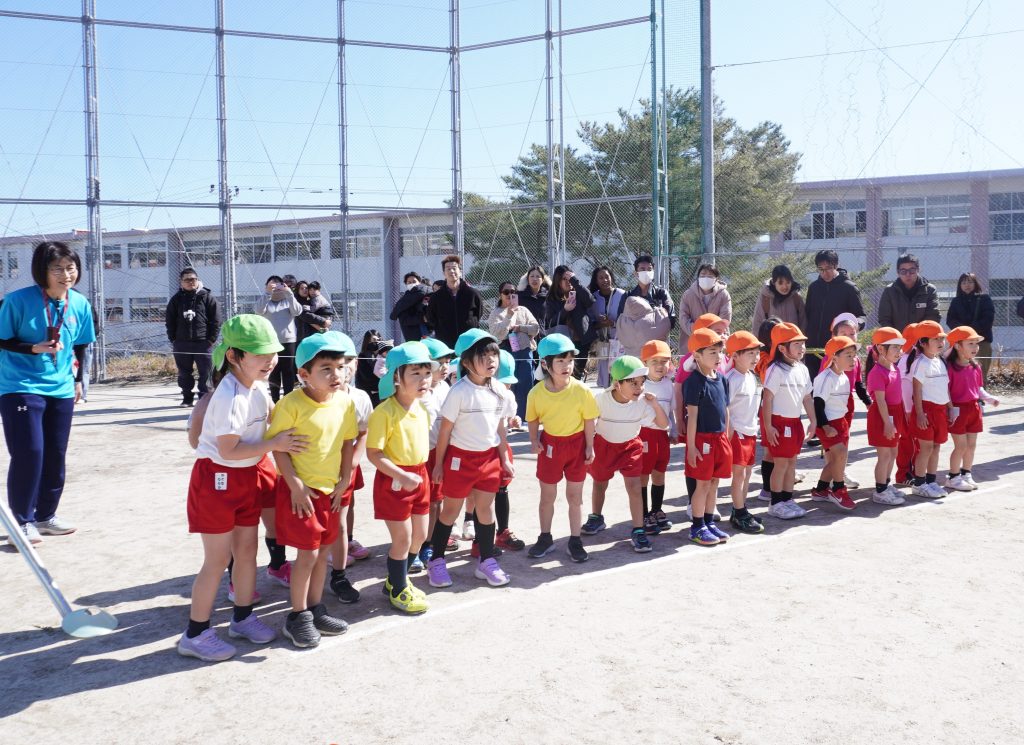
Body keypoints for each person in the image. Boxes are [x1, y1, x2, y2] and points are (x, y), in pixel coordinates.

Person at [176, 314, 305, 662]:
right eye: (259, 354)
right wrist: (275, 444)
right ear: (233, 356)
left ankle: (243, 617)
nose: (270, 360)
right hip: (217, 481)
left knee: (247, 552)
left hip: (246, 476)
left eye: (272, 352)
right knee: (217, 560)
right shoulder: (230, 396)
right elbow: (229, 450)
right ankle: (195, 634)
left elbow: (274, 419)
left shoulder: (258, 387)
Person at [266, 331, 358, 647]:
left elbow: (347, 442)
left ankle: (316, 609)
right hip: (302, 495)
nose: (336, 375)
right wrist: (295, 486)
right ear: (304, 374)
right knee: (307, 556)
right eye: (326, 369)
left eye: (340, 367)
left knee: (323, 554)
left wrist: (345, 479)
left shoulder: (345, 402)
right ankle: (297, 616)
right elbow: (278, 449)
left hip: (330, 492)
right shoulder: (290, 405)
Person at [0, 241, 96, 545]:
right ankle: (21, 522)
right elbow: (2, 339)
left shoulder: (79, 303)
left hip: (61, 388)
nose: (66, 275)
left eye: (70, 268)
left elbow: (82, 344)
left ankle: (45, 516)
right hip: (20, 386)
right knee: (30, 452)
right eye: (57, 269)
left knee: (55, 454)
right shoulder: (17, 301)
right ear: (42, 271)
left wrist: (78, 380)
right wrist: (33, 348)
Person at [426, 329, 513, 588]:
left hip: (489, 460)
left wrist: (504, 458)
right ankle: (436, 561)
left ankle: (486, 561)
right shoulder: (459, 391)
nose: (491, 360)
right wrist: (439, 464)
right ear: (466, 362)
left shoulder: (500, 390)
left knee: (485, 509)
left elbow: (500, 427)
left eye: (493, 354)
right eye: (483, 356)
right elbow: (445, 431)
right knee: (450, 511)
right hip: (459, 460)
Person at [366, 341, 434, 614]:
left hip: (420, 476)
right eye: (415, 373)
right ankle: (398, 588)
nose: (423, 379)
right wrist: (401, 475)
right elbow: (374, 453)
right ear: (396, 377)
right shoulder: (384, 412)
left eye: (426, 373)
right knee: (402, 539)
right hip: (394, 480)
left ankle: (396, 579)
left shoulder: (421, 408)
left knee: (420, 535)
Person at [526, 333, 599, 563]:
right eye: (560, 360)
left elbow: (589, 420)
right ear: (545, 364)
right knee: (547, 496)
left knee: (575, 497)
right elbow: (533, 419)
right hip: (550, 446)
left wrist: (590, 446)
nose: (567, 365)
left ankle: (575, 540)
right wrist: (534, 440)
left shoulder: (582, 390)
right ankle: (545, 538)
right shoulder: (536, 393)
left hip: (577, 446)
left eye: (570, 360)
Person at [585, 355, 668, 553]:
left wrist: (655, 405)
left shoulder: (643, 402)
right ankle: (596, 517)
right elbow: (589, 421)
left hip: (630, 446)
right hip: (604, 445)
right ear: (617, 384)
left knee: (634, 487)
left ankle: (638, 530)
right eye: (633, 383)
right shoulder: (601, 399)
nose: (639, 388)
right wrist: (588, 445)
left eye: (641, 382)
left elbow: (663, 425)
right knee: (599, 483)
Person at [327, 332, 372, 604]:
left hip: (347, 466)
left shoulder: (360, 397)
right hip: (317, 471)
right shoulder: (304, 400)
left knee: (344, 513)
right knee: (321, 519)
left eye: (348, 362)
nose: (343, 369)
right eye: (335, 363)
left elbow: (362, 433)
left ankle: (340, 568)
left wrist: (352, 464)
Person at [683, 328, 733, 546]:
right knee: (702, 484)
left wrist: (727, 438)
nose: (718, 356)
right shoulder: (693, 382)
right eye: (712, 352)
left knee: (714, 482)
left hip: (720, 439)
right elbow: (692, 417)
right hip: (702, 440)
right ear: (697, 355)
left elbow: (726, 410)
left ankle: (709, 521)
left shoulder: (722, 380)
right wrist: (691, 447)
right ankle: (697, 526)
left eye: (719, 352)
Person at [761, 322, 816, 519]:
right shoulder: (775, 369)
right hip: (779, 422)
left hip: (795, 422)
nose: (802, 348)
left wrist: (813, 421)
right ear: (782, 348)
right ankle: (775, 503)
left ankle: (787, 498)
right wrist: (768, 426)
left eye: (803, 343)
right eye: (796, 344)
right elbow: (767, 398)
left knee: (792, 462)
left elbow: (807, 398)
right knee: (781, 464)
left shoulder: (802, 369)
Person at [417, 336, 460, 568]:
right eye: (439, 362)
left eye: (447, 362)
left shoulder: (445, 388)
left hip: (439, 453)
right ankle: (415, 545)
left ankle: (430, 541)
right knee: (419, 504)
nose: (445, 367)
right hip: (418, 455)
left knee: (436, 501)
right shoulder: (417, 392)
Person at [945, 326, 1000, 491]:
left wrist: (989, 398)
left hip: (974, 409)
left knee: (971, 445)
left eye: (976, 343)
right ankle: (953, 477)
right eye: (970, 343)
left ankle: (966, 473)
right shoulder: (949, 368)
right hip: (958, 411)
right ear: (957, 346)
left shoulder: (976, 367)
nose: (975, 347)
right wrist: (950, 409)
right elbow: (945, 391)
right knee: (960, 446)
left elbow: (978, 388)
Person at [723, 330, 766, 533]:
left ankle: (740, 509)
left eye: (757, 353)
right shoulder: (731, 378)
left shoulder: (751, 376)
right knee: (739, 474)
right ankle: (739, 513)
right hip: (737, 433)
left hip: (750, 432)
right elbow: (725, 407)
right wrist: (729, 432)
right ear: (735, 356)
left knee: (747, 472)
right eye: (750, 353)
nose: (756, 357)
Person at [810, 336, 859, 511]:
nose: (853, 359)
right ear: (834, 357)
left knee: (835, 460)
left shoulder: (844, 377)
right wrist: (825, 426)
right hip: (827, 424)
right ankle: (838, 490)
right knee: (840, 454)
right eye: (848, 355)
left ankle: (821, 490)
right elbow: (818, 404)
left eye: (854, 355)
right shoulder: (825, 378)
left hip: (840, 423)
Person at [864, 327, 910, 506]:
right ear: (881, 349)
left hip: (895, 413)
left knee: (893, 452)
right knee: (884, 454)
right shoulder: (877, 372)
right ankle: (880, 490)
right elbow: (881, 401)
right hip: (883, 416)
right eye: (895, 348)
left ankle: (886, 483)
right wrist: (888, 423)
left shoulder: (894, 368)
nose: (899, 352)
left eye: (900, 348)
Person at [804, 250, 866, 379]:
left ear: (836, 265)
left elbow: (861, 316)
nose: (824, 273)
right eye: (820, 269)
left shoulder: (849, 288)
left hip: (837, 351)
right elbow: (807, 315)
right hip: (813, 350)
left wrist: (854, 326)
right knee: (813, 386)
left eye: (828, 268)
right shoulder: (814, 288)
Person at [907, 320, 951, 499]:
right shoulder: (920, 363)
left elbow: (945, 388)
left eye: (942, 338)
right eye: (936, 339)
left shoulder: (940, 361)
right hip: (926, 411)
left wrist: (950, 407)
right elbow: (916, 390)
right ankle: (919, 484)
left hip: (940, 411)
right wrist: (919, 414)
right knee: (925, 448)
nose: (941, 342)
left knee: (936, 446)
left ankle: (931, 481)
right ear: (923, 343)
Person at [166, 267, 221, 407]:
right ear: (181, 282)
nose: (191, 282)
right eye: (187, 280)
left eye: (193, 279)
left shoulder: (207, 297)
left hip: (203, 343)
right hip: (181, 343)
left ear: (198, 280)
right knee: (184, 373)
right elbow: (170, 321)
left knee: (206, 372)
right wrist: (173, 339)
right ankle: (187, 398)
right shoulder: (176, 299)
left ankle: (204, 399)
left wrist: (211, 339)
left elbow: (216, 320)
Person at [487, 280, 540, 420]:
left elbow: (535, 328)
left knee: (526, 384)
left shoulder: (523, 310)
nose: (510, 295)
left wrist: (521, 328)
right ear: (500, 295)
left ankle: (526, 418)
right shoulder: (495, 313)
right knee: (508, 385)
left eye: (513, 292)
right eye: (506, 292)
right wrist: (509, 316)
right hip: (506, 353)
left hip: (524, 351)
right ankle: (508, 418)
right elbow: (496, 334)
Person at [638, 340, 674, 534]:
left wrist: (674, 429)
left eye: (664, 361)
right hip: (644, 434)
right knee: (643, 475)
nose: (660, 366)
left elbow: (672, 411)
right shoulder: (640, 384)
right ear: (645, 363)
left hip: (662, 435)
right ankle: (643, 514)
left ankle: (656, 509)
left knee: (659, 473)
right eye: (654, 362)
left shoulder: (669, 384)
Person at [545, 265, 596, 378]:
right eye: (564, 279)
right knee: (565, 375)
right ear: (558, 281)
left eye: (570, 278)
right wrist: (565, 310)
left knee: (577, 375)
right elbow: (551, 323)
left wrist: (575, 281)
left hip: (580, 341)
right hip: (563, 343)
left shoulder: (579, 293)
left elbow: (590, 300)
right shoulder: (552, 299)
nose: (568, 281)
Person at [257, 275, 302, 403]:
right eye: (272, 284)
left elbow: (297, 311)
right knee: (273, 371)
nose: (275, 287)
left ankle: (288, 400)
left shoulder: (288, 299)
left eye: (278, 284)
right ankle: (275, 400)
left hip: (288, 341)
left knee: (288, 371)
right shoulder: (265, 300)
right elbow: (258, 311)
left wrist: (289, 293)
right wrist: (267, 293)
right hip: (270, 342)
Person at [423, 254, 483, 348]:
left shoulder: (472, 293)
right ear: (444, 273)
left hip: (469, 343)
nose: (451, 271)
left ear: (460, 271)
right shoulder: (436, 297)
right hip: (446, 345)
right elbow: (431, 318)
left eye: (454, 268)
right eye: (448, 269)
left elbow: (478, 314)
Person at [946, 273, 995, 381]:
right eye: (963, 282)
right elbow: (950, 320)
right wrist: (963, 332)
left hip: (981, 342)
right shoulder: (956, 301)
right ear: (960, 285)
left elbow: (988, 319)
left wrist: (970, 332)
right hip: (961, 344)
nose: (967, 285)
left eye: (970, 282)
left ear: (975, 284)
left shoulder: (984, 299)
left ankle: (980, 392)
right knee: (960, 373)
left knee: (980, 374)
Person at [877, 253, 941, 333]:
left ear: (918, 270)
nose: (908, 274)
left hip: (922, 338)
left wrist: (921, 336)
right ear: (898, 272)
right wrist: (895, 336)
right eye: (903, 271)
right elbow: (884, 319)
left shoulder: (929, 290)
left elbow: (933, 316)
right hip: (897, 338)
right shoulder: (889, 291)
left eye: (912, 270)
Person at [677, 263, 730, 352]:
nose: (706, 278)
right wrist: (698, 333)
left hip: (717, 341)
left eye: (710, 276)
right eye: (702, 275)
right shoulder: (688, 295)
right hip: (692, 341)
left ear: (716, 279)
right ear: (698, 277)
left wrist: (713, 334)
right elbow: (683, 318)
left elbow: (725, 317)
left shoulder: (723, 295)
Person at [589, 266, 627, 388]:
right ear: (596, 281)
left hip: (619, 341)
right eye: (601, 278)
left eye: (607, 276)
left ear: (611, 277)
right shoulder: (593, 298)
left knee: (619, 372)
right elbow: (589, 321)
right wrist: (600, 324)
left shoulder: (622, 295)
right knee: (604, 374)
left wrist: (613, 323)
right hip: (603, 342)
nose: (605, 280)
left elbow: (628, 318)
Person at [751, 264, 806, 333]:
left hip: (794, 339)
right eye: (780, 283)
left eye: (788, 282)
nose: (785, 286)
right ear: (774, 283)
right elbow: (757, 325)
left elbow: (803, 324)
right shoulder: (765, 298)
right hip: (772, 339)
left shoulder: (796, 297)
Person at [389, 272, 429, 342]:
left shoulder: (427, 293)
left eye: (414, 281)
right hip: (413, 333)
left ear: (419, 282)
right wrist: (422, 319)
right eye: (409, 282)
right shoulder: (404, 300)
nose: (412, 284)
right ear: (406, 284)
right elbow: (404, 319)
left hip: (428, 331)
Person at [518, 265, 550, 331]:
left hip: (543, 334)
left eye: (538, 276)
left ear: (543, 280)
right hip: (525, 333)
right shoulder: (520, 296)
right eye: (532, 276)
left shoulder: (548, 296)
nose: (534, 279)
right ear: (528, 279)